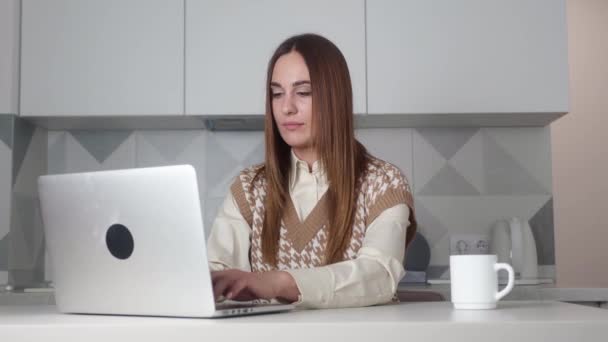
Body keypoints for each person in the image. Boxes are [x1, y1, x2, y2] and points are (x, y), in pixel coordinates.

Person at [207, 33, 417, 309]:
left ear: (335, 98)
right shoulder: (249, 188)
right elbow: (214, 273)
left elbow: (379, 274)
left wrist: (280, 282)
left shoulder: (384, 183)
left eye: (303, 92)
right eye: (277, 93)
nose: (286, 107)